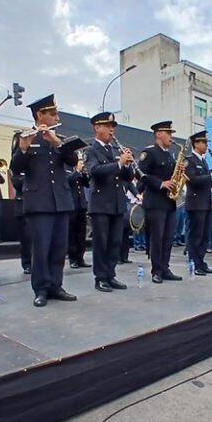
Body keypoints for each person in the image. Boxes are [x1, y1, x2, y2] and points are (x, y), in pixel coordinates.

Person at [11, 94, 79, 306]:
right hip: (39, 202)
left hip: (60, 199)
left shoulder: (59, 138)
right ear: (39, 115)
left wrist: (57, 142)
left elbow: (73, 161)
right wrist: (23, 147)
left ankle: (56, 286)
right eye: (52, 114)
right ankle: (40, 288)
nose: (56, 116)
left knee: (59, 247)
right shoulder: (24, 137)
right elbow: (16, 168)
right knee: (41, 248)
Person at [84, 112, 134, 291]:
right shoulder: (90, 150)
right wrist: (119, 163)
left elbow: (127, 178)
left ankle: (111, 274)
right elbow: (95, 171)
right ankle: (100, 278)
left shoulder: (114, 151)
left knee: (115, 242)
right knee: (101, 243)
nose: (112, 130)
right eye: (108, 126)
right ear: (97, 128)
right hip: (101, 204)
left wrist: (127, 164)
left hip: (117, 203)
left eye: (113, 127)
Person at [137, 121, 181, 284]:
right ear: (158, 134)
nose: (171, 136)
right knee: (157, 237)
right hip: (155, 202)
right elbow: (140, 173)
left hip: (169, 202)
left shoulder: (169, 155)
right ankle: (156, 270)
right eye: (168, 133)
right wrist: (161, 183)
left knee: (168, 237)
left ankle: (165, 267)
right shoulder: (149, 153)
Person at [183, 130, 212, 275]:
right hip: (195, 204)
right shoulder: (189, 160)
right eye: (204, 142)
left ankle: (201, 261)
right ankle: (194, 263)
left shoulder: (204, 161)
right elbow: (193, 181)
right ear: (196, 143)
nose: (206, 145)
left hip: (205, 203)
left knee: (205, 235)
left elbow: (206, 185)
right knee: (196, 235)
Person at [67, 154, 91, 269]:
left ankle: (80, 258)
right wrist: (77, 171)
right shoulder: (66, 168)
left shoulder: (81, 172)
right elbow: (67, 181)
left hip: (81, 205)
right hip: (71, 205)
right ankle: (72, 259)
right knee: (72, 234)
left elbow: (87, 184)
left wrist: (84, 173)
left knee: (82, 234)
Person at [9, 165, 32, 275]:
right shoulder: (17, 167)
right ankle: (27, 264)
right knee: (26, 239)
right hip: (22, 205)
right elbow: (17, 184)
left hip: (36, 205)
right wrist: (31, 175)